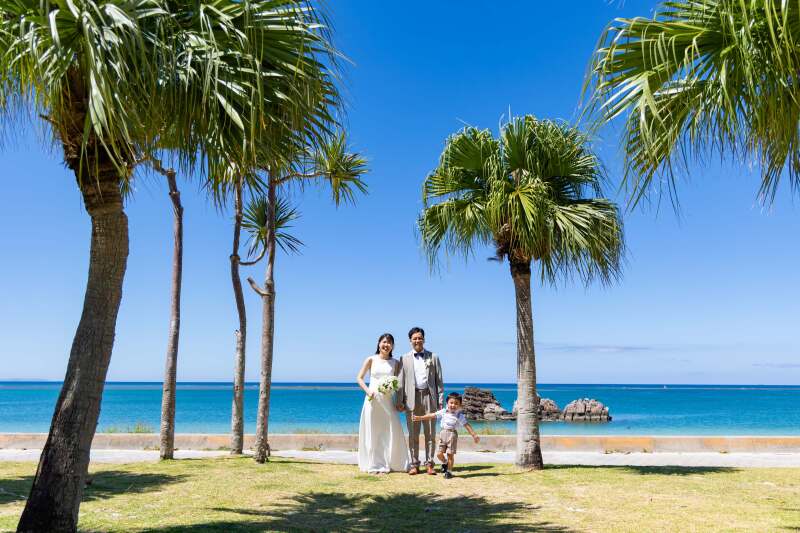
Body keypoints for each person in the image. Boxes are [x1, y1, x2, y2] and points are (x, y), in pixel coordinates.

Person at [356, 333, 410, 473]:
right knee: (373, 431)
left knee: (390, 430)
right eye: (384, 342)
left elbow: (399, 384)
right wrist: (368, 391)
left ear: (392, 346)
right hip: (373, 400)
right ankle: (374, 464)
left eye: (389, 342)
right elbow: (359, 378)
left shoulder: (396, 363)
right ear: (379, 343)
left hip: (388, 401)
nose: (386, 345)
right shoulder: (371, 359)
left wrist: (400, 402)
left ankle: (393, 463)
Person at [397, 327, 444, 475]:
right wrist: (400, 401)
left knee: (430, 433)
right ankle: (414, 464)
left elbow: (439, 381)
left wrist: (440, 401)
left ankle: (430, 464)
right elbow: (401, 382)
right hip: (411, 399)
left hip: (430, 398)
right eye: (415, 338)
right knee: (413, 434)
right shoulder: (404, 358)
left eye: (420, 338)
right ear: (410, 340)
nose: (417, 340)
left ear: (424, 339)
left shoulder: (433, 357)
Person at [413, 392, 479, 479]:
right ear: (447, 403)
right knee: (439, 454)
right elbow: (432, 415)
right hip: (442, 434)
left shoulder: (459, 415)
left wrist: (474, 435)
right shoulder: (444, 411)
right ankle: (445, 463)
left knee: (450, 454)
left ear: (460, 405)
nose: (453, 405)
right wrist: (420, 418)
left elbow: (466, 425)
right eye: (451, 403)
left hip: (452, 435)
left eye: (456, 403)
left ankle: (449, 472)